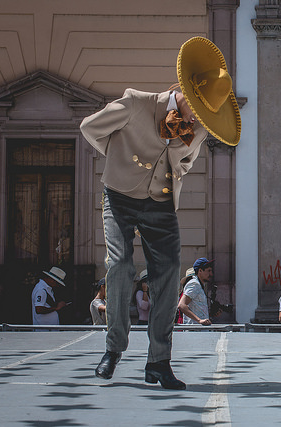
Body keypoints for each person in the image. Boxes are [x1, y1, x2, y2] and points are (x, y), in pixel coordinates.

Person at [80, 36, 240, 390]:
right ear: (184, 94)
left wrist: (177, 162)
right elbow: (89, 128)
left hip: (161, 203)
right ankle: (113, 349)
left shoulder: (198, 127)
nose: (197, 119)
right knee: (120, 266)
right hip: (119, 196)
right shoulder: (137, 102)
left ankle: (158, 362)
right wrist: (121, 158)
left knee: (168, 274)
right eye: (196, 109)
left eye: (204, 115)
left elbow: (185, 160)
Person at [178, 258, 213, 325]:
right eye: (208, 271)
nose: (211, 274)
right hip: (195, 329)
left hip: (198, 329)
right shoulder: (194, 284)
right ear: (200, 270)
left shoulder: (199, 285)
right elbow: (181, 305)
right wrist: (199, 320)